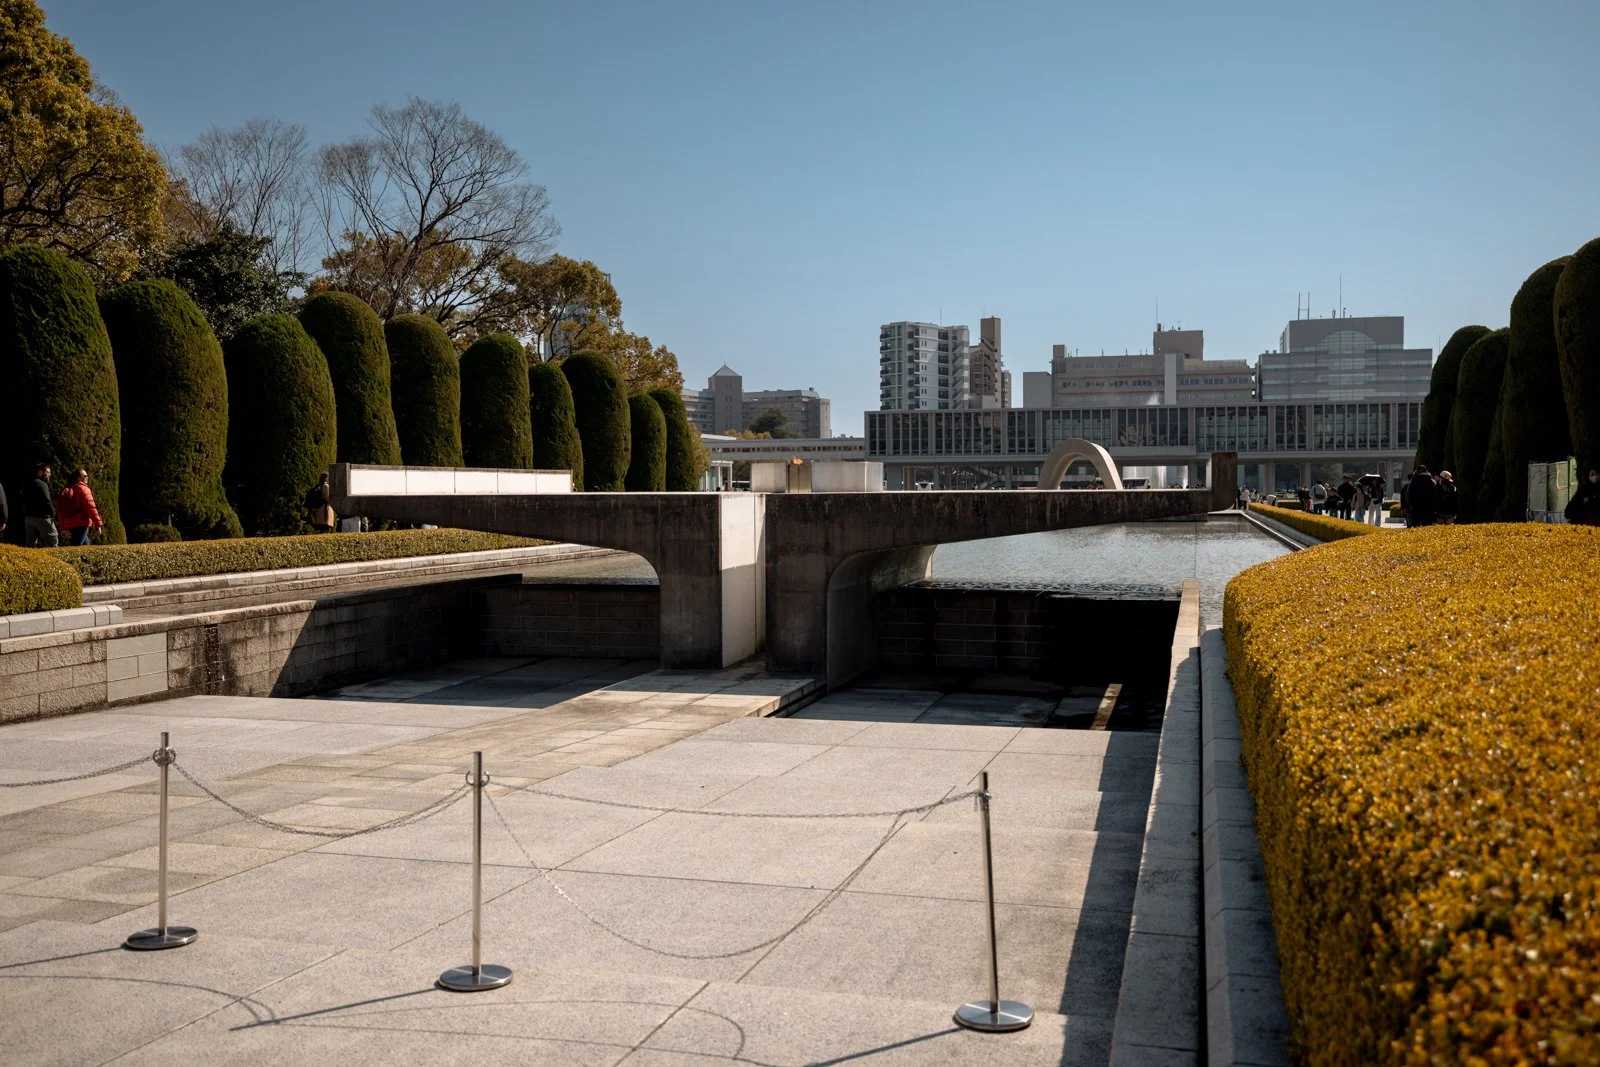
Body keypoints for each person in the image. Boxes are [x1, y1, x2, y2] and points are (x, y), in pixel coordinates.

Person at [55, 469, 103, 546]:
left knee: (84, 546)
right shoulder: (84, 489)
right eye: (85, 476)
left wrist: (62, 527)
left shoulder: (66, 490)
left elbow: (61, 510)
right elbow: (91, 508)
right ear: (78, 478)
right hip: (82, 522)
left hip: (69, 524)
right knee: (75, 547)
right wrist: (98, 524)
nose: (87, 477)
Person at [23, 462, 59, 547]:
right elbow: (47, 501)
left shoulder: (27, 483)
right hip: (42, 517)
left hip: (29, 517)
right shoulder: (42, 484)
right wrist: (52, 513)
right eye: (47, 472)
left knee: (30, 545)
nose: (49, 475)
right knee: (53, 542)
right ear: (40, 472)